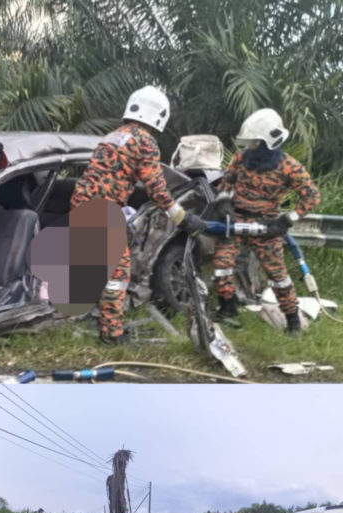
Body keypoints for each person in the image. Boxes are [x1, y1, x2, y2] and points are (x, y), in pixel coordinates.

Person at [70, 85, 206, 344]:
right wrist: (183, 218)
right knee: (118, 275)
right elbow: (156, 188)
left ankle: (101, 318)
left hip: (82, 206)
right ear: (158, 115)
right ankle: (111, 334)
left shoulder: (113, 136)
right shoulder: (145, 141)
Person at [213, 108, 320, 333]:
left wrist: (287, 220)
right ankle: (228, 310)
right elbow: (226, 181)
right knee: (222, 267)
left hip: (267, 227)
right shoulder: (241, 159)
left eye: (255, 143)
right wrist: (223, 202)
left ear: (268, 142)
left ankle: (292, 320)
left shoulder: (289, 166)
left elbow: (311, 196)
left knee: (278, 277)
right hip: (237, 221)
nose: (250, 147)